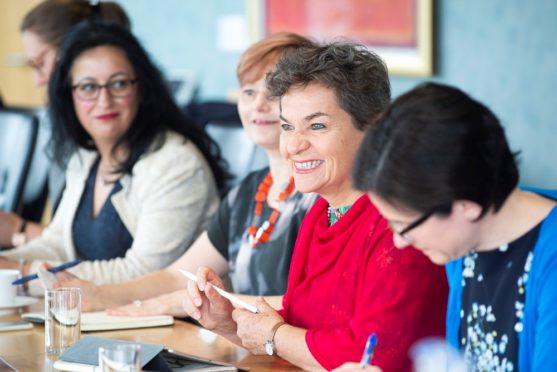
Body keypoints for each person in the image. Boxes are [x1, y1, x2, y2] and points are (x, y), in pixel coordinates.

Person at [182, 43, 448, 371]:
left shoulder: (399, 224)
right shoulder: (321, 212)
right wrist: (227, 322)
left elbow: (371, 359)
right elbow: (301, 333)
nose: (293, 146)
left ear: (374, 128)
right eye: (288, 127)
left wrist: (276, 335)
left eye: (317, 126)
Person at [52, 32, 318, 314]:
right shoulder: (248, 191)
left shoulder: (322, 194)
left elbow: (312, 306)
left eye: (275, 93)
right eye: (249, 92)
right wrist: (101, 295)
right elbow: (178, 276)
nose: (258, 105)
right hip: (247, 350)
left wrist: (171, 303)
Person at [0, 21, 226, 295]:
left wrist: (25, 271)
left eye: (118, 84)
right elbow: (57, 243)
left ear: (141, 89)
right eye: (87, 87)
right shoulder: (85, 157)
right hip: (99, 320)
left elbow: (143, 274)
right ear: (68, 96)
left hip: (171, 328)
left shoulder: (176, 164)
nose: (104, 100)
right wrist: (10, 265)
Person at [352, 82, 557, 371]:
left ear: (466, 206)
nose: (399, 241)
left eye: (403, 225)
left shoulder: (549, 262)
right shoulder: (464, 245)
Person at [0, 0, 130, 248]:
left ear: (72, 54)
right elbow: (67, 236)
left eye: (40, 64)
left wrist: (21, 231)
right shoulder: (71, 137)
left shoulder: (105, 141)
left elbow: (94, 248)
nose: (38, 80)